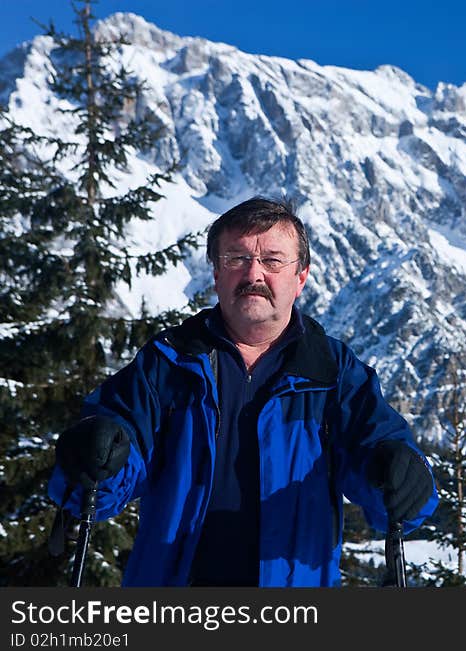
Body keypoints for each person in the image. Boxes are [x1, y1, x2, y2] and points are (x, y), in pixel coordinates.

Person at [49, 197, 437, 586]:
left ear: (300, 277)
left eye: (272, 260)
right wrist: (93, 455)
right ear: (216, 274)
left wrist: (404, 475)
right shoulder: (167, 364)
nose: (254, 273)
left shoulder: (333, 373)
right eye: (236, 258)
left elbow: (383, 468)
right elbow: (101, 481)